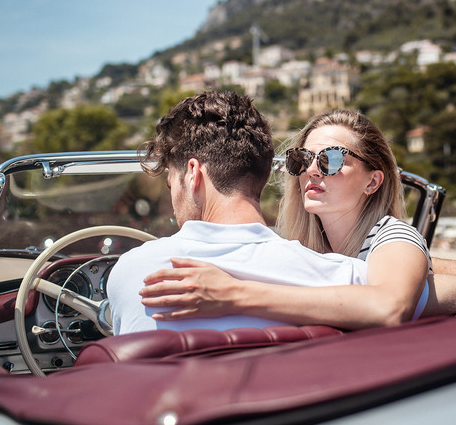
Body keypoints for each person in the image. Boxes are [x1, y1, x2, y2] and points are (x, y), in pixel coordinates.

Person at [139, 109, 456, 330]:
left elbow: (389, 307)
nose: (311, 171)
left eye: (329, 159)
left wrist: (232, 295)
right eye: (302, 159)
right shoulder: (304, 247)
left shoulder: (392, 238)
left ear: (373, 181)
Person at [107, 92, 370, 334]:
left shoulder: (135, 272)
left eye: (170, 184)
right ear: (264, 175)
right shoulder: (347, 280)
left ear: (192, 174)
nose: (174, 203)